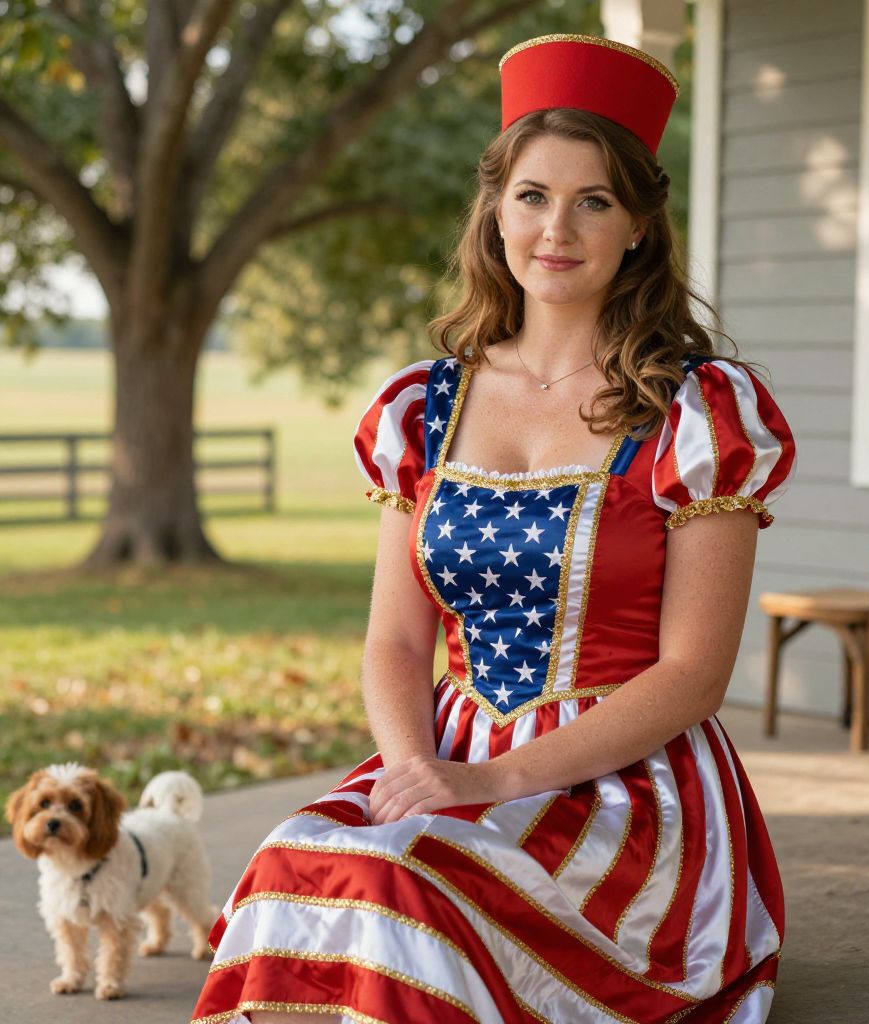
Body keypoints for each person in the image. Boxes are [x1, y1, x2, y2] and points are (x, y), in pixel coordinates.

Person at [190, 33, 797, 1024]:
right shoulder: (420, 406)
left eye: (593, 200)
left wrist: (492, 778)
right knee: (301, 862)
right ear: (495, 210)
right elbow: (394, 637)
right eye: (532, 195)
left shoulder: (696, 411)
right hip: (443, 750)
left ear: (639, 224)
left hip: (621, 784)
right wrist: (411, 769)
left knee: (406, 891)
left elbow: (693, 675)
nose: (556, 228)